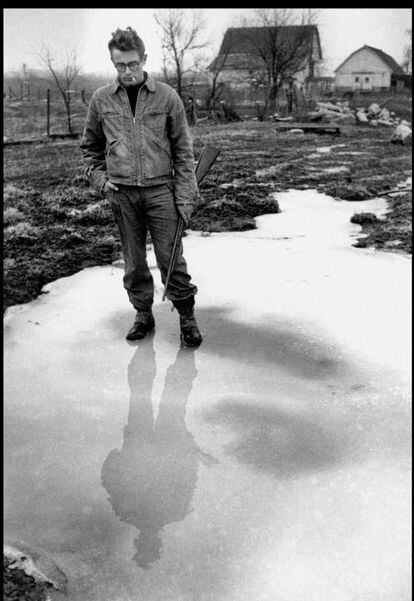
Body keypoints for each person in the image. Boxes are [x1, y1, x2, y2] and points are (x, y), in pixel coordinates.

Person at [80, 27, 202, 346]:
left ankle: (187, 316)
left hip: (162, 191)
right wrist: (101, 180)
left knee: (171, 257)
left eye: (133, 64)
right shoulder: (101, 99)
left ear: (144, 59)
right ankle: (143, 314)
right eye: (120, 66)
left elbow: (184, 151)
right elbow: (90, 149)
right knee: (134, 262)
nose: (128, 72)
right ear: (113, 63)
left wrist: (186, 197)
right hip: (121, 194)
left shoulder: (167, 97)